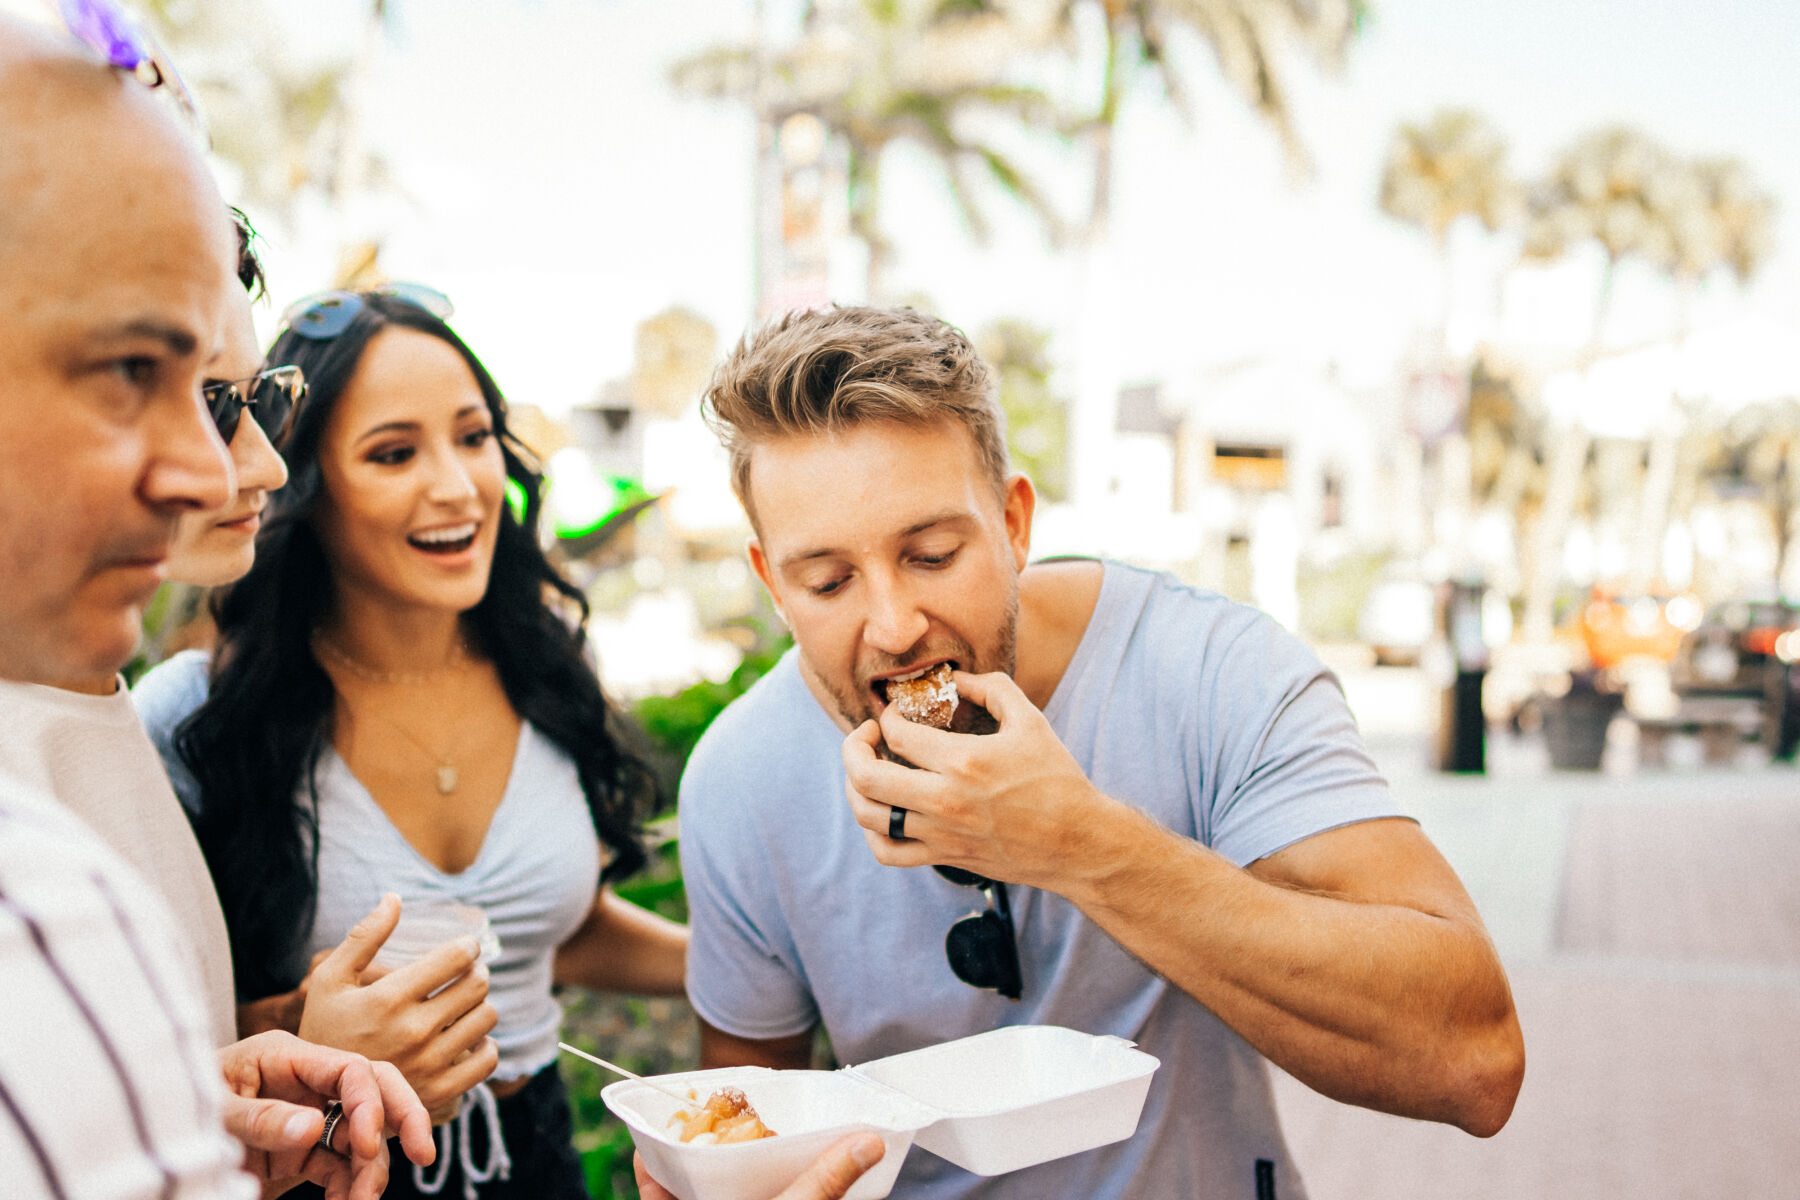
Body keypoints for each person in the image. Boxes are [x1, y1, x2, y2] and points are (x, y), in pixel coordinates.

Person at [678, 306, 1527, 1198]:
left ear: (1012, 524)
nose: (893, 627)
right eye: (829, 582)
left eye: (930, 555)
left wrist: (1080, 844)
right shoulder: (741, 780)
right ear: (773, 584)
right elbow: (745, 1135)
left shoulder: (1216, 672)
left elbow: (1474, 1062)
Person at [0, 15, 431, 1198]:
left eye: (243, 398)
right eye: (132, 373)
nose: (233, 468)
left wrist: (196, 1110)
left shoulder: (91, 707)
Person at [136, 285, 690, 1199]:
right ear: (305, 483)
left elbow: (553, 925)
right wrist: (302, 1030)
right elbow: (146, 1022)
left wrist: (755, 961)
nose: (456, 484)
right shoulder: (196, 714)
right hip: (320, 1168)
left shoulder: (549, 668)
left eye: (473, 438)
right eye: (394, 453)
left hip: (535, 1157)